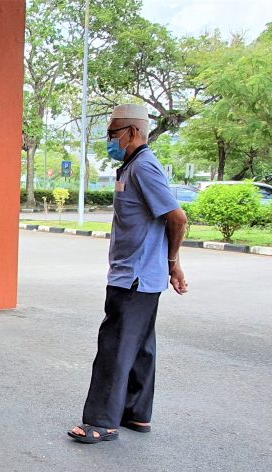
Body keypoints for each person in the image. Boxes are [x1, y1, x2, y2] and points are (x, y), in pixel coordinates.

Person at [69, 104, 189, 444]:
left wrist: (173, 261)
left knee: (115, 346)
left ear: (133, 132)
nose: (110, 140)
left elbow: (177, 217)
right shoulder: (134, 166)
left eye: (113, 133)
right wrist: (171, 264)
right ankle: (136, 413)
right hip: (140, 274)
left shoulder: (144, 167)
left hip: (134, 276)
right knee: (140, 346)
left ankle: (101, 421)